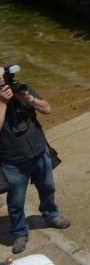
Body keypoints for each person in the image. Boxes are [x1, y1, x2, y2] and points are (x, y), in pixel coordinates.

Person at [0, 70, 70, 255]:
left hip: (39, 151)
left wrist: (29, 98)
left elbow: (47, 109)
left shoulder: (22, 90)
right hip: (13, 161)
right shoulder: (2, 100)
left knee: (47, 187)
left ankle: (51, 215)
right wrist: (3, 103)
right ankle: (19, 232)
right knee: (16, 201)